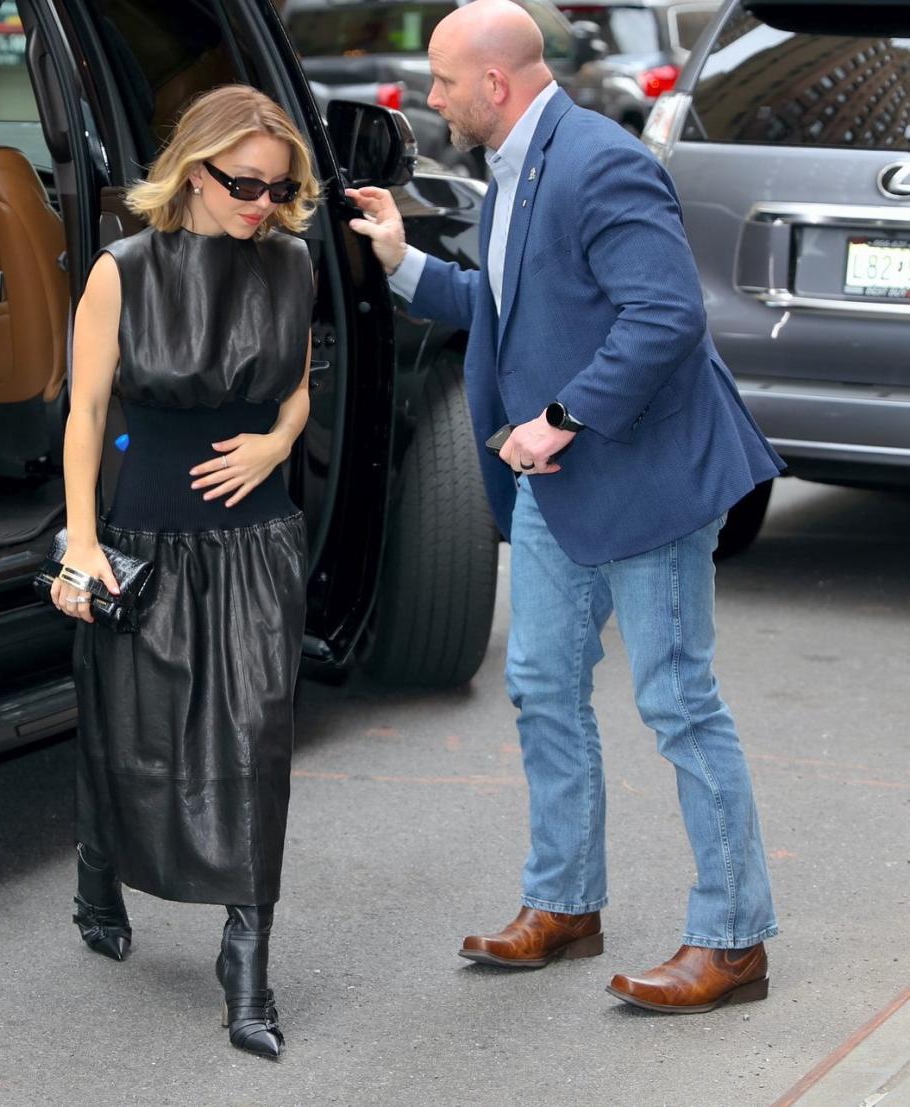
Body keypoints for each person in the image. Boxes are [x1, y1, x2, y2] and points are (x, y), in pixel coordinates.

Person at [346, 0, 781, 1014]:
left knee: (677, 703)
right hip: (556, 484)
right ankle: (566, 907)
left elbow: (666, 314)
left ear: (494, 84)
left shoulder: (601, 162)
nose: (433, 98)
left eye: (445, 82)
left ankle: (732, 937)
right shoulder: (515, 165)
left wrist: (562, 417)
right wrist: (401, 259)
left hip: (645, 475)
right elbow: (507, 310)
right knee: (543, 685)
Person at [52, 84, 318, 1058]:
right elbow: (84, 415)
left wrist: (273, 447)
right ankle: (97, 872)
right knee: (135, 729)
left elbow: (294, 394)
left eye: (276, 188)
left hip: (258, 541)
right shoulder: (123, 270)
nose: (260, 203)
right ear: (193, 171)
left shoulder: (290, 265)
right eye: (243, 184)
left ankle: (245, 969)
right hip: (147, 537)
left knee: (253, 748)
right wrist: (81, 543)